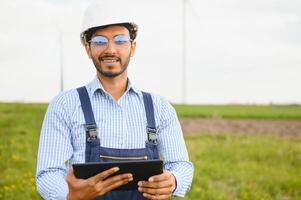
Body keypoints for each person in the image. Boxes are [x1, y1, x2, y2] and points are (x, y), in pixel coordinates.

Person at [36, 1, 193, 199]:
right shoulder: (65, 105)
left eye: (120, 40)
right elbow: (47, 173)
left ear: (132, 47)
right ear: (88, 48)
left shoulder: (159, 107)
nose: (110, 49)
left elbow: (182, 165)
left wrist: (174, 179)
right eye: (100, 41)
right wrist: (68, 196)